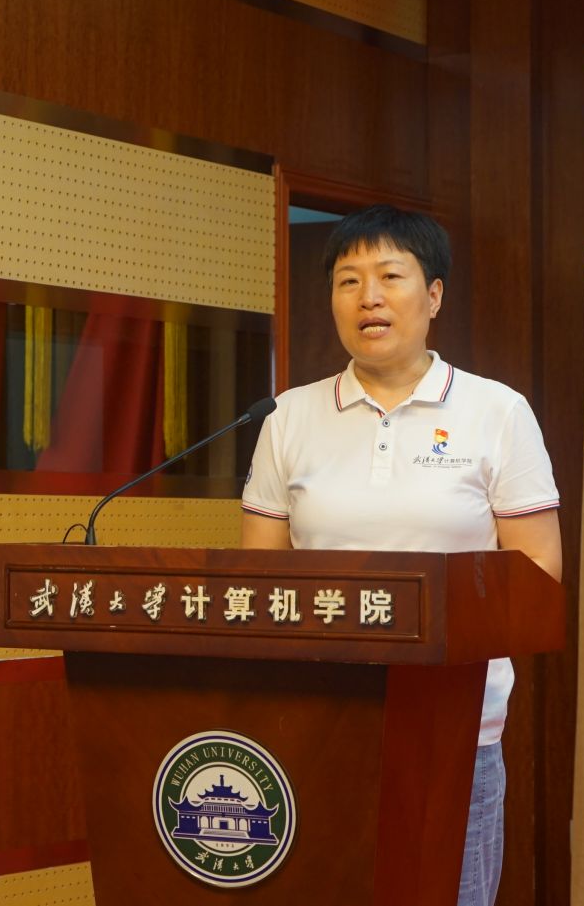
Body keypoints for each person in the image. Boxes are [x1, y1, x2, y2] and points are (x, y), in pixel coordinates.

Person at [240, 205, 562, 906]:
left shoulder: (497, 412)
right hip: (320, 721)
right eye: (348, 280)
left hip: (454, 728)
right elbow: (259, 583)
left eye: (390, 276)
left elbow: (536, 578)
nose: (369, 298)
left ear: (434, 294)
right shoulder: (287, 417)